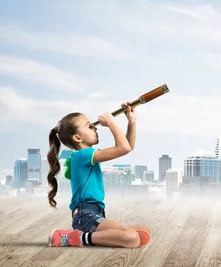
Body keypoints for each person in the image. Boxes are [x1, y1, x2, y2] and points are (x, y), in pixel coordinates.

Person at [46, 102, 151, 248]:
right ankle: (74, 238)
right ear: (77, 138)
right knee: (132, 237)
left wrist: (131, 122)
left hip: (94, 213)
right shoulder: (82, 155)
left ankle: (84, 236)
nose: (95, 127)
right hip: (85, 215)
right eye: (90, 126)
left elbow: (127, 146)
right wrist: (111, 123)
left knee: (142, 232)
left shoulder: (85, 156)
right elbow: (124, 148)